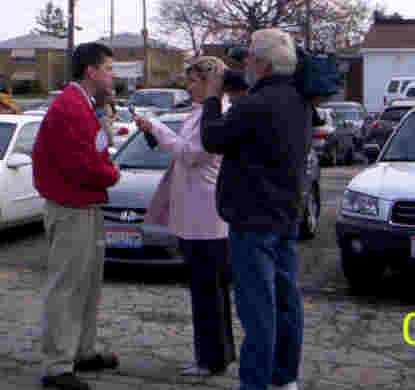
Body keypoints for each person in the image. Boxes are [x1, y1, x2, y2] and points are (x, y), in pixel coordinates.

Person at [200, 28, 312, 390]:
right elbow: (256, 87)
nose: (244, 61)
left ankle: (255, 382)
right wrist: (233, 79)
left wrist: (213, 97)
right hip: (286, 216)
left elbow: (212, 138)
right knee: (286, 303)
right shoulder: (299, 100)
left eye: (248, 56)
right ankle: (285, 378)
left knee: (257, 309)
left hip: (251, 220)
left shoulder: (252, 106)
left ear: (262, 64)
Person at [133, 56, 236, 377]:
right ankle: (214, 354)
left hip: (207, 218)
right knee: (205, 290)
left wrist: (159, 129)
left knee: (209, 292)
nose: (188, 86)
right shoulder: (201, 112)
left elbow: (193, 154)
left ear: (209, 82)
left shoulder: (218, 113)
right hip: (195, 214)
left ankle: (212, 359)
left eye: (193, 81)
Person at [32, 42, 120, 390]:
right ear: (91, 71)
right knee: (67, 287)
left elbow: (96, 152)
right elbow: (84, 165)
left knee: (87, 285)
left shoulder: (84, 106)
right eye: (109, 69)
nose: (113, 76)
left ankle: (81, 350)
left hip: (85, 206)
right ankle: (57, 365)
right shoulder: (70, 108)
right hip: (70, 208)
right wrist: (112, 174)